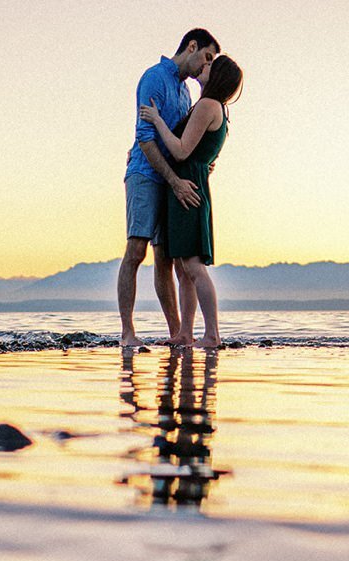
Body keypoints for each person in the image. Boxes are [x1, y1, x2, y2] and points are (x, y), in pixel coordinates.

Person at [118, 29, 219, 348]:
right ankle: (128, 333)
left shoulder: (186, 93)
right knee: (136, 250)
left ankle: (178, 332)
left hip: (172, 181)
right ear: (192, 46)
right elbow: (146, 139)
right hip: (145, 173)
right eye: (207, 56)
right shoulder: (154, 78)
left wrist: (201, 165)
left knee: (166, 257)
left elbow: (185, 144)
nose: (207, 65)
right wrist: (175, 181)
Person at [140, 55, 243, 350]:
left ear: (218, 75)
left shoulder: (208, 105)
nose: (204, 67)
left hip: (187, 186)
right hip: (190, 184)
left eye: (210, 65)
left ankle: (212, 335)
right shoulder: (216, 108)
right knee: (184, 268)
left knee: (194, 267)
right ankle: (186, 333)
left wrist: (157, 120)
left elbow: (182, 151)